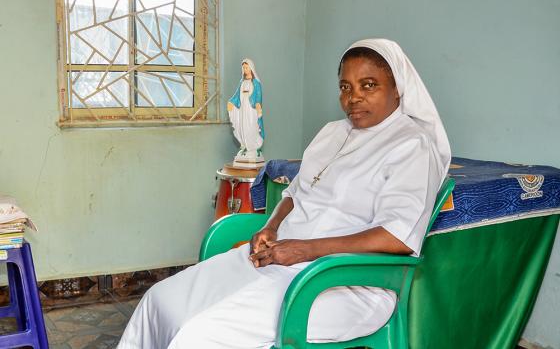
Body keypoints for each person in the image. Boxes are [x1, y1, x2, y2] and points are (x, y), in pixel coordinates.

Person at [117, 38, 451, 349]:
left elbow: (397, 236)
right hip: (281, 257)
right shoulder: (332, 133)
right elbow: (295, 192)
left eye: (369, 85)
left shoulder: (411, 145)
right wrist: (271, 227)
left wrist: (305, 250)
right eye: (345, 87)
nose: (354, 98)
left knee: (200, 334)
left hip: (345, 282)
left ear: (398, 89)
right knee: (160, 301)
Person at [227, 58, 265, 163]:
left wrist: (257, 104)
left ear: (251, 68)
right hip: (243, 109)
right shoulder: (242, 82)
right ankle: (245, 145)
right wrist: (231, 102)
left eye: (247, 67)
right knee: (243, 126)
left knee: (251, 126)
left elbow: (258, 96)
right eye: (243, 68)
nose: (245, 69)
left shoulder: (256, 83)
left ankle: (252, 147)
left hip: (251, 110)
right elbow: (236, 96)